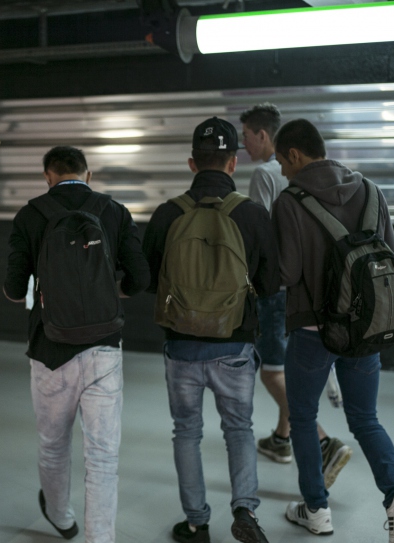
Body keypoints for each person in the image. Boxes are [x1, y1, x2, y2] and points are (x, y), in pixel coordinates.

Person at [272, 119, 394, 542]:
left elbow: (287, 271)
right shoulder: (371, 190)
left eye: (282, 161)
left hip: (311, 332)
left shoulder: (289, 201)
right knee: (366, 419)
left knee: (302, 418)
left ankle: (316, 510)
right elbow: (391, 253)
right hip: (365, 330)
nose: (282, 170)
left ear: (296, 155)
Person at [4, 146, 150, 543]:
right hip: (104, 349)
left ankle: (60, 517)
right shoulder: (114, 211)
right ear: (88, 175)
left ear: (47, 176)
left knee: (53, 445)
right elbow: (140, 279)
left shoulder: (31, 214)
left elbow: (14, 289)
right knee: (102, 457)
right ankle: (99, 538)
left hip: (49, 350)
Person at [143, 117, 278, 543]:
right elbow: (272, 284)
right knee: (239, 429)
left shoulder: (167, 214)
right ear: (234, 163)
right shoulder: (253, 215)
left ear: (190, 163)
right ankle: (245, 511)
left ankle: (197, 522)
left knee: (187, 431)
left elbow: (147, 279)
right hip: (235, 344)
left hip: (181, 346)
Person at [239, 103, 352, 488]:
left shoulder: (264, 176)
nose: (243, 145)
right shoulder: (321, 178)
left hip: (277, 289)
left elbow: (262, 238)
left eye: (246, 137)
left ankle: (323, 441)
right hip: (312, 289)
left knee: (272, 373)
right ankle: (283, 439)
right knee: (287, 366)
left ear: (263, 136)